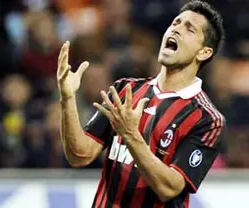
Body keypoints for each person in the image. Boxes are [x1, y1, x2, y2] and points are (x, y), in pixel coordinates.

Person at [57, 1, 225, 207]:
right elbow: (79, 155)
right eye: (175, 23)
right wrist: (67, 99)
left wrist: (130, 135)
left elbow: (169, 188)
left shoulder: (207, 119)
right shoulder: (125, 90)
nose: (176, 29)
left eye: (189, 29)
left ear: (204, 52)